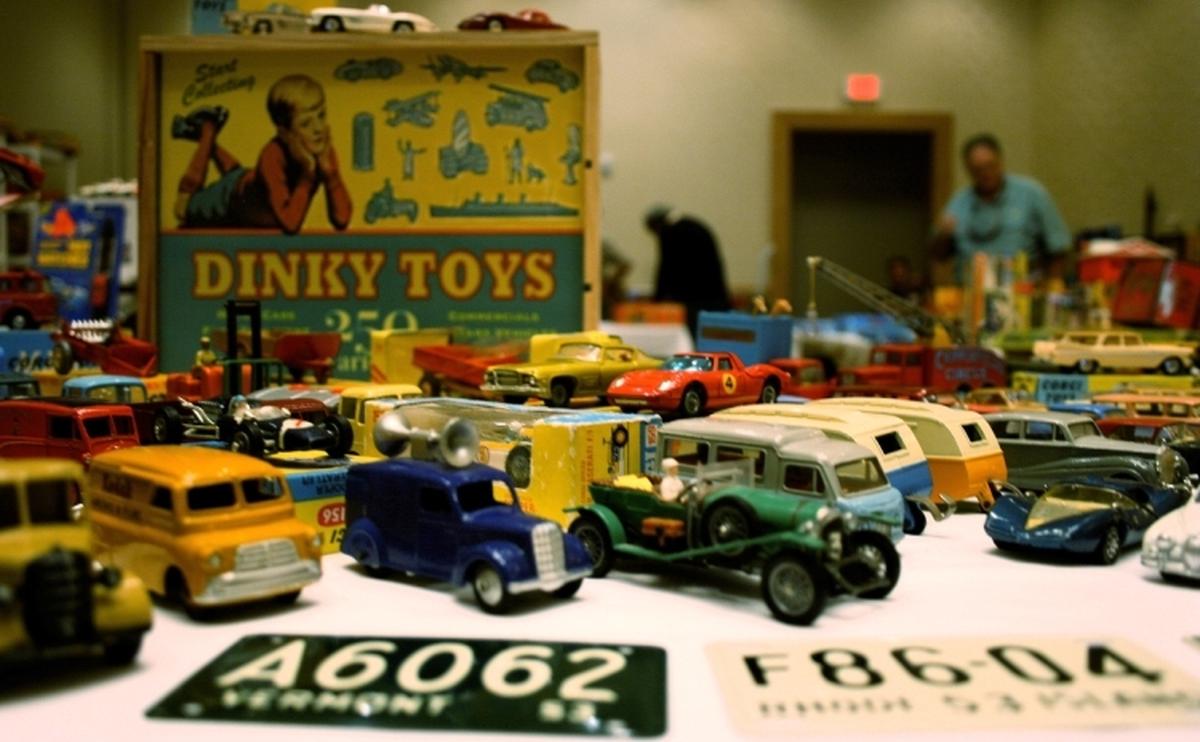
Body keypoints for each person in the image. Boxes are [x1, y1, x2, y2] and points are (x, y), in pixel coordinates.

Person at [172, 74, 352, 234]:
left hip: (246, 182)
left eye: (321, 116)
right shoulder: (271, 155)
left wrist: (332, 176)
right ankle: (208, 129)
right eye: (306, 124)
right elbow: (290, 224)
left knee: (235, 172)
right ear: (284, 133)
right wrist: (307, 176)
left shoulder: (322, 151)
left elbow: (342, 220)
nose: (319, 128)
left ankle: (198, 134)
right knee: (182, 208)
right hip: (229, 200)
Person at [931, 134, 1070, 281]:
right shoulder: (959, 202)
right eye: (978, 169)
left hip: (1021, 288)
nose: (985, 173)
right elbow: (938, 255)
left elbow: (1059, 248)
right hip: (972, 289)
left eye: (990, 166)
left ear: (1000, 161)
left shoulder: (1031, 193)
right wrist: (943, 236)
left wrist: (1053, 286)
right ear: (968, 169)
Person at [644, 205, 732, 339]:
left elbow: (666, 268)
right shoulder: (696, 225)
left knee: (691, 338)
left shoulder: (669, 232)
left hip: (691, 300)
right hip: (714, 295)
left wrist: (657, 299)